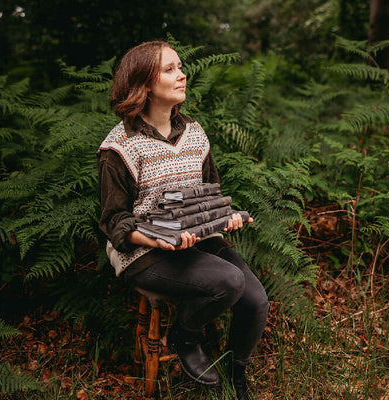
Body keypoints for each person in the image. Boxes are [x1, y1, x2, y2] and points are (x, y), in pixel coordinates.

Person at [97, 41, 269, 400]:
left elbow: (210, 192)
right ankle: (185, 336)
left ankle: (236, 374)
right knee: (229, 281)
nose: (182, 74)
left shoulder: (194, 132)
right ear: (144, 83)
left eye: (180, 66)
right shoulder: (119, 147)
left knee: (255, 301)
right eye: (170, 69)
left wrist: (224, 219)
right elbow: (114, 222)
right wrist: (157, 239)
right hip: (145, 253)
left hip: (197, 241)